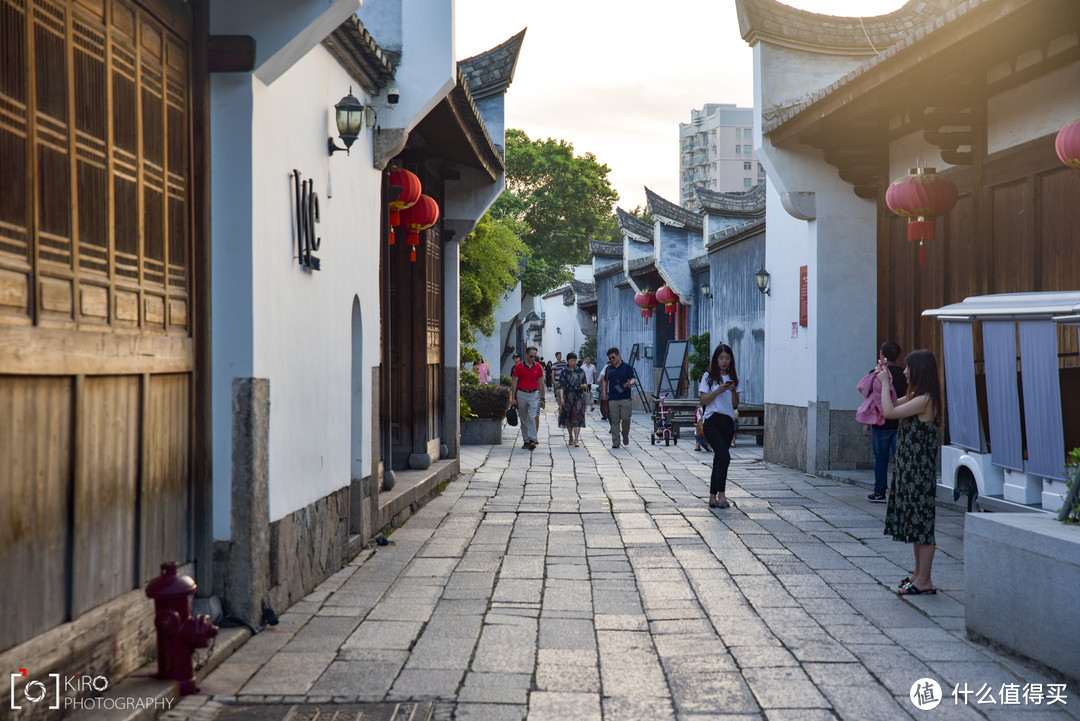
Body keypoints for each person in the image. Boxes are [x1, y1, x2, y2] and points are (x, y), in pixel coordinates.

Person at [879, 349, 942, 596]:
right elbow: (893, 404)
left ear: (919, 371)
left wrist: (885, 382)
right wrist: (884, 378)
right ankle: (918, 574)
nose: (904, 372)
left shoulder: (926, 399)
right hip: (909, 470)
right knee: (914, 524)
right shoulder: (916, 395)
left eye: (907, 368)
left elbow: (889, 413)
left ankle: (925, 580)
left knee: (922, 524)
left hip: (919, 472)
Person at [861, 341, 907, 503]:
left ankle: (879, 492)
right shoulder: (904, 374)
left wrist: (866, 422)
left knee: (880, 459)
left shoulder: (876, 374)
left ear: (882, 355)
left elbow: (871, 401)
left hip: (880, 424)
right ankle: (901, 492)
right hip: (900, 422)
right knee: (900, 459)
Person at [699, 343, 742, 508]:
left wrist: (732, 391)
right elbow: (703, 400)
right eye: (721, 358)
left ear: (731, 360)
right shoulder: (708, 377)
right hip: (712, 421)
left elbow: (735, 404)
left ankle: (712, 497)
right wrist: (719, 390)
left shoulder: (734, 378)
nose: (724, 361)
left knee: (719, 459)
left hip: (727, 422)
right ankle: (722, 495)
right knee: (724, 456)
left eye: (727, 358)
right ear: (716, 359)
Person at [509, 346, 546, 450]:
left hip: (534, 394)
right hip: (521, 393)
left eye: (535, 356)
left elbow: (542, 383)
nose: (533, 358)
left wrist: (543, 398)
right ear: (526, 354)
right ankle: (526, 440)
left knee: (531, 417)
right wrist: (513, 398)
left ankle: (532, 439)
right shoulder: (519, 366)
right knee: (523, 419)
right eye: (531, 356)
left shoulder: (538, 367)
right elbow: (514, 382)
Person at [600, 347, 636, 448]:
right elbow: (605, 380)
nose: (612, 360)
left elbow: (633, 379)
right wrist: (604, 392)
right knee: (614, 420)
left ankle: (625, 434)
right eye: (610, 358)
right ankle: (616, 441)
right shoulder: (608, 368)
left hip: (625, 397)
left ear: (619, 355)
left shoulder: (627, 367)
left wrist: (628, 383)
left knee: (626, 418)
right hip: (613, 398)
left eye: (613, 357)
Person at [558, 353, 588, 446]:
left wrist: (582, 386)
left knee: (577, 417)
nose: (573, 362)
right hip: (567, 397)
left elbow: (585, 384)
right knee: (568, 417)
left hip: (579, 397)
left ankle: (576, 439)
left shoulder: (581, 371)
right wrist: (562, 398)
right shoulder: (564, 372)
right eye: (571, 361)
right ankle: (570, 436)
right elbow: (561, 387)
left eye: (575, 360)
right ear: (567, 361)